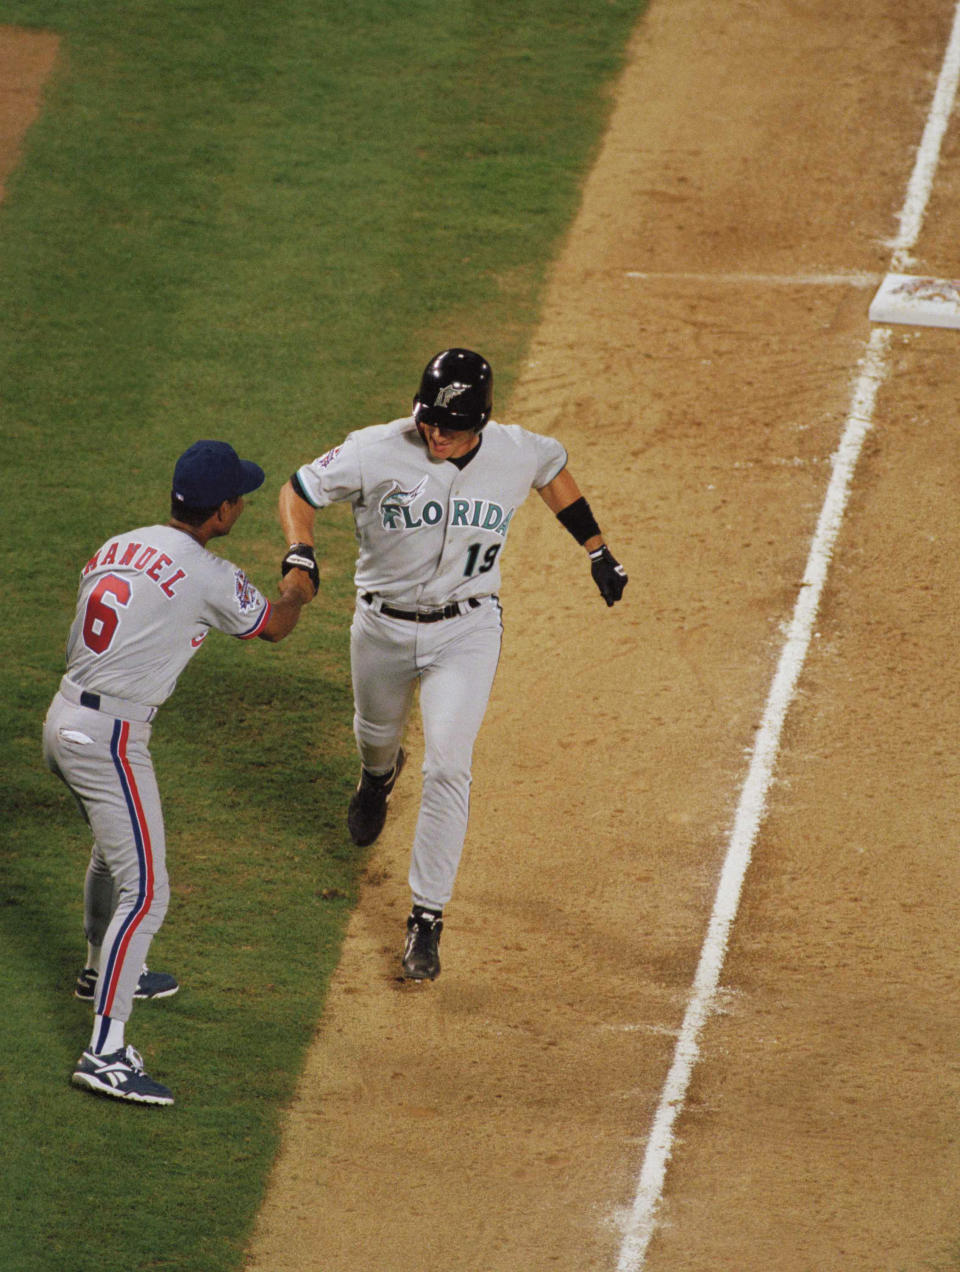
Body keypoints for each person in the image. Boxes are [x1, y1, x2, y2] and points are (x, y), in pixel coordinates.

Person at [278, 348, 627, 982]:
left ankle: (426, 920)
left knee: (448, 765)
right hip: (381, 626)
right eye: (430, 422)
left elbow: (553, 470)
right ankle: (378, 777)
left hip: (465, 631)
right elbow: (298, 490)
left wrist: (597, 549)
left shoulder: (514, 449)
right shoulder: (375, 448)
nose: (437, 435)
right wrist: (300, 551)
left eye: (453, 427)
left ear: (482, 421)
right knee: (375, 736)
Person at [43, 439, 319, 1106]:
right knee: (149, 891)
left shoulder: (119, 543)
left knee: (114, 858)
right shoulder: (206, 572)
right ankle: (104, 1052)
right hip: (109, 738)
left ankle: (101, 972)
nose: (245, 504)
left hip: (62, 718)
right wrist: (297, 584)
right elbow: (274, 628)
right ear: (220, 511)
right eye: (239, 498)